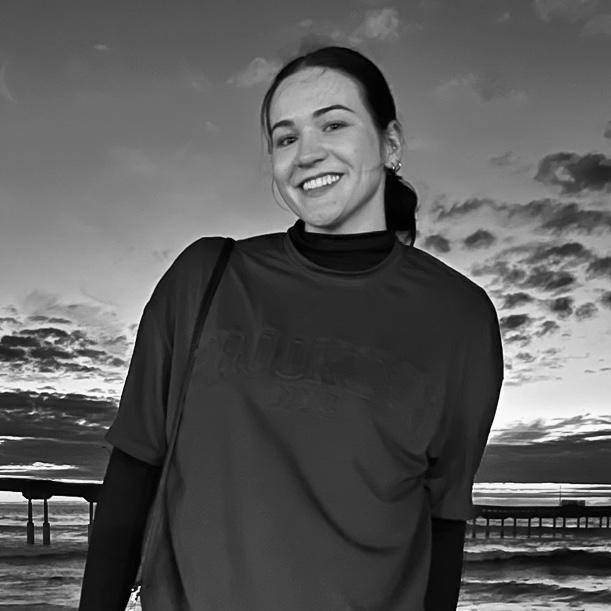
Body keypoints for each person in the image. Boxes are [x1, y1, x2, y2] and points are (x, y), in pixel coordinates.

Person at [79, 45, 504, 610]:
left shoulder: (460, 317)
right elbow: (132, 471)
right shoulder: (206, 276)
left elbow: (443, 519)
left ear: (391, 144)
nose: (306, 153)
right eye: (285, 137)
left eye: (333, 124)